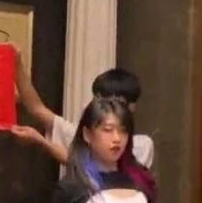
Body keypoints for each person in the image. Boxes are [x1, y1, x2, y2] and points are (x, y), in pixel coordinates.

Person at [12, 49, 154, 169]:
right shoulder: (84, 135)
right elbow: (37, 108)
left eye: (112, 102)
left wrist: (42, 142)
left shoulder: (142, 145)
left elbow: (91, 169)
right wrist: (17, 65)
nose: (102, 108)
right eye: (98, 100)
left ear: (131, 106)